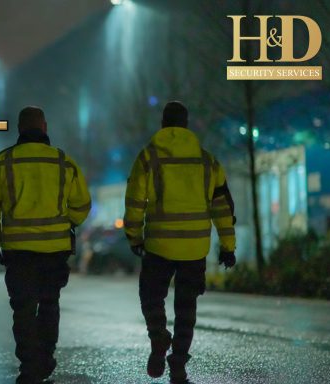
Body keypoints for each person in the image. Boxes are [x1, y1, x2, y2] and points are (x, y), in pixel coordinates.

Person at [124, 101, 237, 384]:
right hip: (194, 248)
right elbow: (222, 207)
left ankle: (159, 336)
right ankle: (178, 367)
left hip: (159, 246)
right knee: (186, 308)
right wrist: (228, 246)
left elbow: (135, 202)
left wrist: (134, 236)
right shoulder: (207, 161)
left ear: (163, 124)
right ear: (187, 125)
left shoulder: (148, 158)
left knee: (151, 297)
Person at [0, 106, 92, 383]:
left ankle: (30, 366)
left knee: (23, 309)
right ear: (44, 127)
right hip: (55, 250)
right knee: (50, 305)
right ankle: (45, 357)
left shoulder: (2, 162)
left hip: (19, 252)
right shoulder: (63, 162)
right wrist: (68, 222)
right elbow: (82, 205)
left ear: (20, 129)